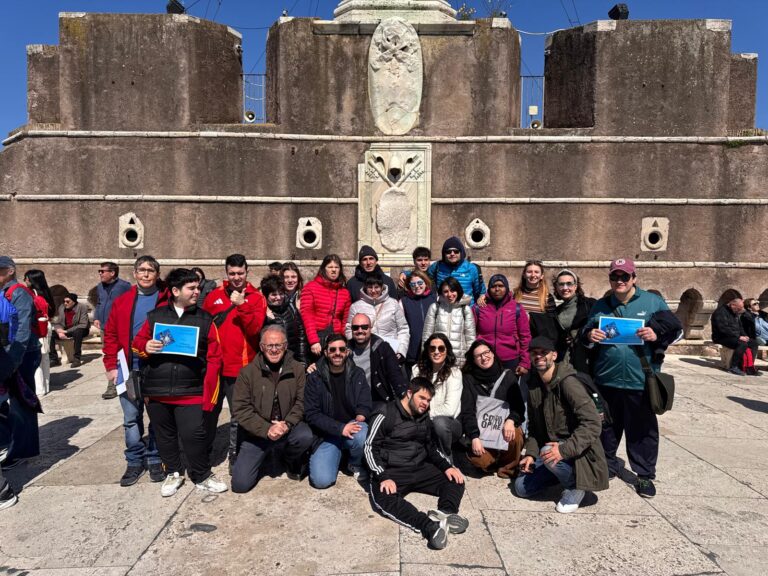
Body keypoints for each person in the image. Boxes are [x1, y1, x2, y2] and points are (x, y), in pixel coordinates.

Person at [582, 257, 676, 498]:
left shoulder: (652, 302)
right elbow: (584, 333)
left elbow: (677, 330)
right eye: (615, 276)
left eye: (625, 276)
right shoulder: (601, 305)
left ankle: (644, 476)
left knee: (642, 429)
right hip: (606, 378)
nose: (620, 280)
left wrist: (656, 334)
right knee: (606, 427)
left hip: (640, 378)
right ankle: (608, 465)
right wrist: (590, 335)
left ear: (634, 278)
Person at [132, 268, 227, 497]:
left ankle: (202, 474)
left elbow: (215, 358)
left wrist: (209, 393)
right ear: (175, 291)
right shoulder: (156, 317)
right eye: (191, 288)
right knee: (165, 436)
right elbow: (137, 343)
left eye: (198, 287)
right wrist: (146, 348)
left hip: (190, 390)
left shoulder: (205, 319)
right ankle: (173, 472)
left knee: (194, 435)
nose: (197, 292)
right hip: (158, 390)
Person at [365, 377, 468, 550]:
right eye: (422, 398)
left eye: (428, 400)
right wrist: (382, 476)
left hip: (419, 468)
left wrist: (447, 466)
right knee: (385, 499)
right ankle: (429, 527)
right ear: (410, 393)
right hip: (392, 471)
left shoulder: (423, 417)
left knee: (456, 478)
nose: (425, 404)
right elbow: (369, 448)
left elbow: (431, 447)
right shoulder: (385, 413)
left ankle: (446, 513)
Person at [514, 336, 609, 513]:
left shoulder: (568, 382)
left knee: (547, 452)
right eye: (534, 353)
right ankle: (561, 474)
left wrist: (563, 450)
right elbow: (534, 427)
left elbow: (593, 423)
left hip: (580, 451)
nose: (539, 357)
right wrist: (531, 455)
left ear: (554, 355)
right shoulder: (535, 385)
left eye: (544, 353)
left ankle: (576, 486)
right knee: (521, 488)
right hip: (552, 449)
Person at [102, 255, 166, 485]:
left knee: (157, 417)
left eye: (150, 270)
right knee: (131, 418)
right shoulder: (123, 300)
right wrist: (110, 365)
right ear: (135, 274)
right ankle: (134, 461)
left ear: (157, 275)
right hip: (128, 367)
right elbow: (109, 334)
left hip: (157, 368)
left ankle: (155, 458)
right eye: (142, 270)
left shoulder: (166, 299)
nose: (146, 274)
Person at [230, 325, 313, 492]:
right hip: (257, 433)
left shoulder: (297, 369)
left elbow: (302, 402)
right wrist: (267, 429)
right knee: (240, 485)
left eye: (278, 345)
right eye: (269, 346)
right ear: (261, 347)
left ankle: (289, 458)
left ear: (285, 346)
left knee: (305, 436)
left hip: (287, 427)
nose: (274, 350)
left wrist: (287, 424)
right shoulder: (247, 373)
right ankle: (263, 456)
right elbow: (241, 409)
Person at [203, 254, 267, 470]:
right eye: (232, 273)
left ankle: (234, 453)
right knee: (209, 411)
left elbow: (255, 330)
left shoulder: (256, 298)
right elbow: (204, 326)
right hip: (214, 366)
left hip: (239, 368)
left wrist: (241, 306)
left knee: (238, 415)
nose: (237, 277)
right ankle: (205, 452)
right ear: (226, 273)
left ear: (247, 272)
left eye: (240, 273)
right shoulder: (213, 297)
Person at [304, 334, 371, 488]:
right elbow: (311, 414)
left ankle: (354, 462)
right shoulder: (315, 377)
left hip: (351, 425)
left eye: (341, 349)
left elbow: (365, 401)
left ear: (347, 351)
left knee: (363, 435)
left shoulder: (357, 373)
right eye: (332, 349)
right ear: (326, 352)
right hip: (326, 434)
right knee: (321, 481)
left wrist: (361, 414)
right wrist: (340, 429)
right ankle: (335, 454)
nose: (337, 353)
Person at [460, 340, 526, 478]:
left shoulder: (508, 376)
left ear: (493, 353)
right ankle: (494, 458)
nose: (484, 358)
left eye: (486, 352)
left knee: (516, 433)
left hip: (503, 428)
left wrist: (511, 420)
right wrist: (474, 436)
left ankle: (508, 467)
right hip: (483, 431)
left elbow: (519, 407)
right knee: (481, 461)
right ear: (473, 360)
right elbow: (467, 411)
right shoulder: (468, 379)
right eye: (479, 356)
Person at [0, 256, 42, 469]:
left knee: (21, 402)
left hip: (22, 354)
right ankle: (10, 440)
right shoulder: (5, 293)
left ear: (10, 271)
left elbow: (23, 329)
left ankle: (22, 450)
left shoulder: (18, 293)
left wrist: (13, 360)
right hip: (10, 354)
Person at [412, 334, 463, 463]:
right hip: (422, 419)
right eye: (432, 348)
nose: (436, 352)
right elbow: (413, 400)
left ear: (447, 351)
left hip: (449, 424)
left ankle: (446, 459)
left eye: (441, 348)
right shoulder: (417, 370)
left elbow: (450, 409)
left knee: (439, 423)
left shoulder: (454, 373)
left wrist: (426, 414)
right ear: (427, 350)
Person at [473, 273, 530, 374]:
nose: (497, 289)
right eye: (493, 286)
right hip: (484, 359)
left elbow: (525, 336)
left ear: (507, 288)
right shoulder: (479, 308)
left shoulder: (516, 308)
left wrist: (525, 362)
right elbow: (470, 333)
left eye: (501, 286)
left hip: (510, 359)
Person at [347, 312, 406, 408]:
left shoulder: (382, 348)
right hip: (351, 401)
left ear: (371, 328)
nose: (360, 330)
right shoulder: (344, 349)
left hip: (377, 400)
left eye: (364, 327)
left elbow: (395, 374)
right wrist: (315, 367)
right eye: (355, 327)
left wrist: (403, 396)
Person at [301, 254, 352, 360]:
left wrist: (344, 341)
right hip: (318, 339)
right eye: (330, 267)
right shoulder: (310, 287)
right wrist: (314, 341)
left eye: (337, 267)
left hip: (337, 339)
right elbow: (307, 315)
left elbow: (345, 320)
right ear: (324, 269)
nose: (334, 270)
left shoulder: (345, 292)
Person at [346, 276, 409, 360]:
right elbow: (349, 329)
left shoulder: (393, 304)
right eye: (370, 287)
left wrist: (401, 351)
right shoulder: (356, 306)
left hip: (391, 351)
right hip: (365, 353)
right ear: (365, 288)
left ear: (382, 287)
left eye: (376, 287)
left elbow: (403, 329)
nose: (373, 290)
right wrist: (356, 347)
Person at [422, 278, 476, 365]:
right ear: (441, 293)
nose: (450, 294)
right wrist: (424, 357)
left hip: (459, 360)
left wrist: (470, 360)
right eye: (446, 291)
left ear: (458, 291)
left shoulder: (465, 309)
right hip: (438, 358)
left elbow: (470, 338)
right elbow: (427, 335)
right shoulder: (435, 308)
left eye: (453, 290)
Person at [552, 269, 596, 374]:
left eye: (569, 284)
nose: (565, 288)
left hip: (587, 359)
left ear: (575, 286)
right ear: (556, 287)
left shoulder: (590, 304)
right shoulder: (557, 311)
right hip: (566, 360)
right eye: (561, 284)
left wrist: (578, 334)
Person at [261, 276, 308, 365]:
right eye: (274, 295)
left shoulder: (291, 308)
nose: (278, 298)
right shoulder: (263, 312)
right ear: (266, 295)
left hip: (293, 359)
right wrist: (268, 319)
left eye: (281, 293)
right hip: (272, 361)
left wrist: (302, 360)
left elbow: (301, 336)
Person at [23, 269, 55, 396]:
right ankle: (45, 386)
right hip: (46, 325)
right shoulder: (46, 294)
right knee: (44, 358)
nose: (25, 280)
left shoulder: (33, 296)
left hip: (37, 327)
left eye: (27, 278)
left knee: (36, 358)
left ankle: (39, 389)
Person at [400, 269, 437, 377]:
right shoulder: (404, 301)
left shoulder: (435, 298)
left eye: (420, 283)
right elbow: (401, 328)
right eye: (413, 284)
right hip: (412, 352)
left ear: (426, 283)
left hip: (433, 351)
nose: (417, 286)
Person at [427, 237, 486, 305]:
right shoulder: (437, 266)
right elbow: (427, 280)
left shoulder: (471, 268)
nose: (452, 254)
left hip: (465, 311)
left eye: (456, 251)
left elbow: (481, 291)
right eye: (448, 252)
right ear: (444, 254)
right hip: (444, 311)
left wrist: (481, 297)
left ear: (461, 252)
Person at [711, 296, 759, 376]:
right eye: (739, 308)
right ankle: (734, 367)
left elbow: (740, 327)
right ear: (733, 305)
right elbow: (723, 329)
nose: (739, 310)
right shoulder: (720, 312)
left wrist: (745, 335)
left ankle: (749, 367)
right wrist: (738, 336)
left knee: (753, 343)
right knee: (742, 343)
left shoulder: (734, 312)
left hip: (733, 336)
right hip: (721, 337)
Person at [513, 260, 557, 340]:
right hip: (518, 338)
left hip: (538, 340)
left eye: (536, 272)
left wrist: (531, 317)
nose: (533, 275)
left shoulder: (547, 297)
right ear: (524, 275)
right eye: (529, 272)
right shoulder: (516, 295)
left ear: (542, 276)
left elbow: (551, 321)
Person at [51, 293, 90, 368]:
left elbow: (83, 324)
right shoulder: (62, 307)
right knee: (51, 334)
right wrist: (59, 330)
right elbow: (58, 322)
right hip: (66, 329)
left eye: (68, 301)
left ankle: (77, 358)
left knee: (78, 332)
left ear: (74, 302)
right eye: (64, 301)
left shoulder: (82, 307)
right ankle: (53, 358)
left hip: (81, 329)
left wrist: (66, 332)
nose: (65, 303)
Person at [93, 262, 131, 333]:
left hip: (118, 328)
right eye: (99, 271)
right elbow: (99, 303)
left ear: (112, 273)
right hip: (103, 327)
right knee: (105, 344)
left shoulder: (125, 286)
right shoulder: (100, 286)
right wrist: (96, 318)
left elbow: (131, 305)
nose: (100, 273)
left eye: (102, 271)